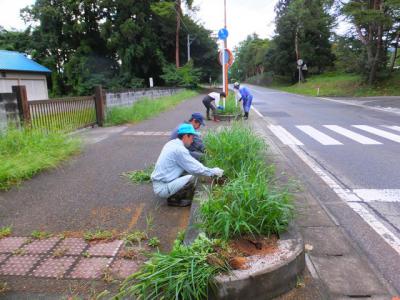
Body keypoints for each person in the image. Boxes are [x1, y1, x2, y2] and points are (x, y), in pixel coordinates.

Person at [151, 123, 224, 207]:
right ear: (186, 136)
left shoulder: (172, 143)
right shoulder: (179, 150)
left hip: (160, 182)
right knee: (192, 178)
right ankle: (174, 199)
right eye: (192, 137)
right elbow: (195, 168)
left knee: (189, 172)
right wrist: (213, 172)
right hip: (162, 188)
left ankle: (173, 192)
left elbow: (191, 162)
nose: (192, 140)